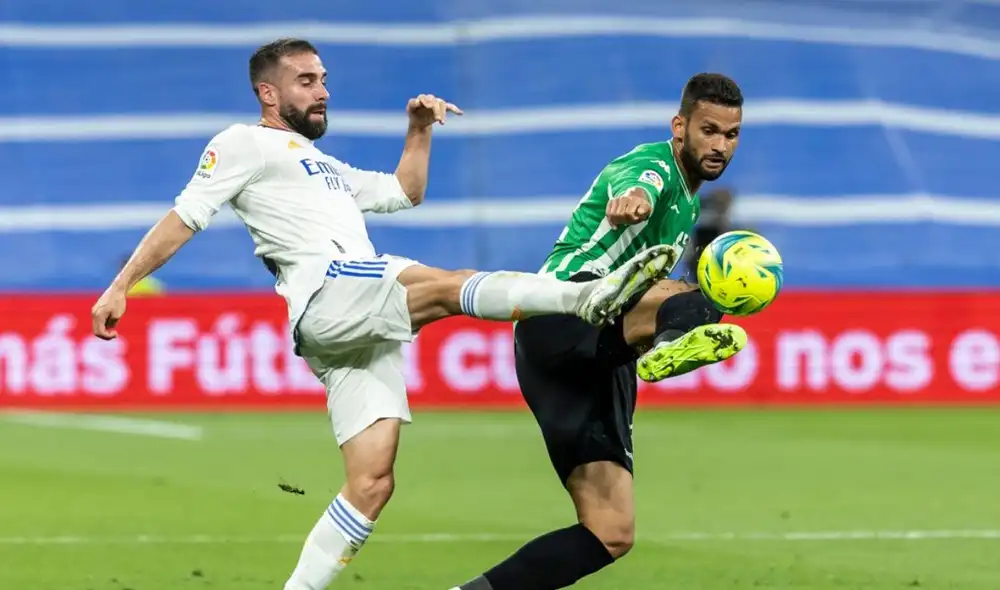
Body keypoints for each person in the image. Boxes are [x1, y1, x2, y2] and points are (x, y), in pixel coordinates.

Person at [88, 38, 676, 590]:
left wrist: (418, 130)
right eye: (305, 81)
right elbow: (185, 215)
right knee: (445, 285)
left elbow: (404, 191)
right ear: (268, 93)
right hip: (329, 291)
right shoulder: (243, 142)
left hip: (350, 332)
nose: (322, 91)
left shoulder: (323, 166)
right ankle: (584, 296)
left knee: (371, 482)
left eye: (323, 80)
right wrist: (121, 287)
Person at [451, 73, 748, 590]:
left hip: (591, 362)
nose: (720, 145)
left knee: (610, 531)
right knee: (704, 297)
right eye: (708, 130)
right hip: (564, 315)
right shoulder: (653, 167)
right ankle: (664, 342)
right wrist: (632, 200)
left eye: (731, 134)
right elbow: (634, 186)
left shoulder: (690, 205)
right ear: (680, 127)